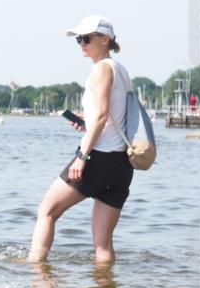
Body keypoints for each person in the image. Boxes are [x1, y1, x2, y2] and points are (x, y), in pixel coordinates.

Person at [28, 16, 134, 265]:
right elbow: (111, 116)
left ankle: (37, 278)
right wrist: (87, 123)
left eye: (86, 38)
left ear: (106, 39)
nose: (81, 44)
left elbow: (102, 116)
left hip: (99, 156)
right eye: (78, 39)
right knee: (103, 242)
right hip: (121, 163)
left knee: (47, 211)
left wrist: (82, 156)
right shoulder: (120, 69)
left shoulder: (101, 69)